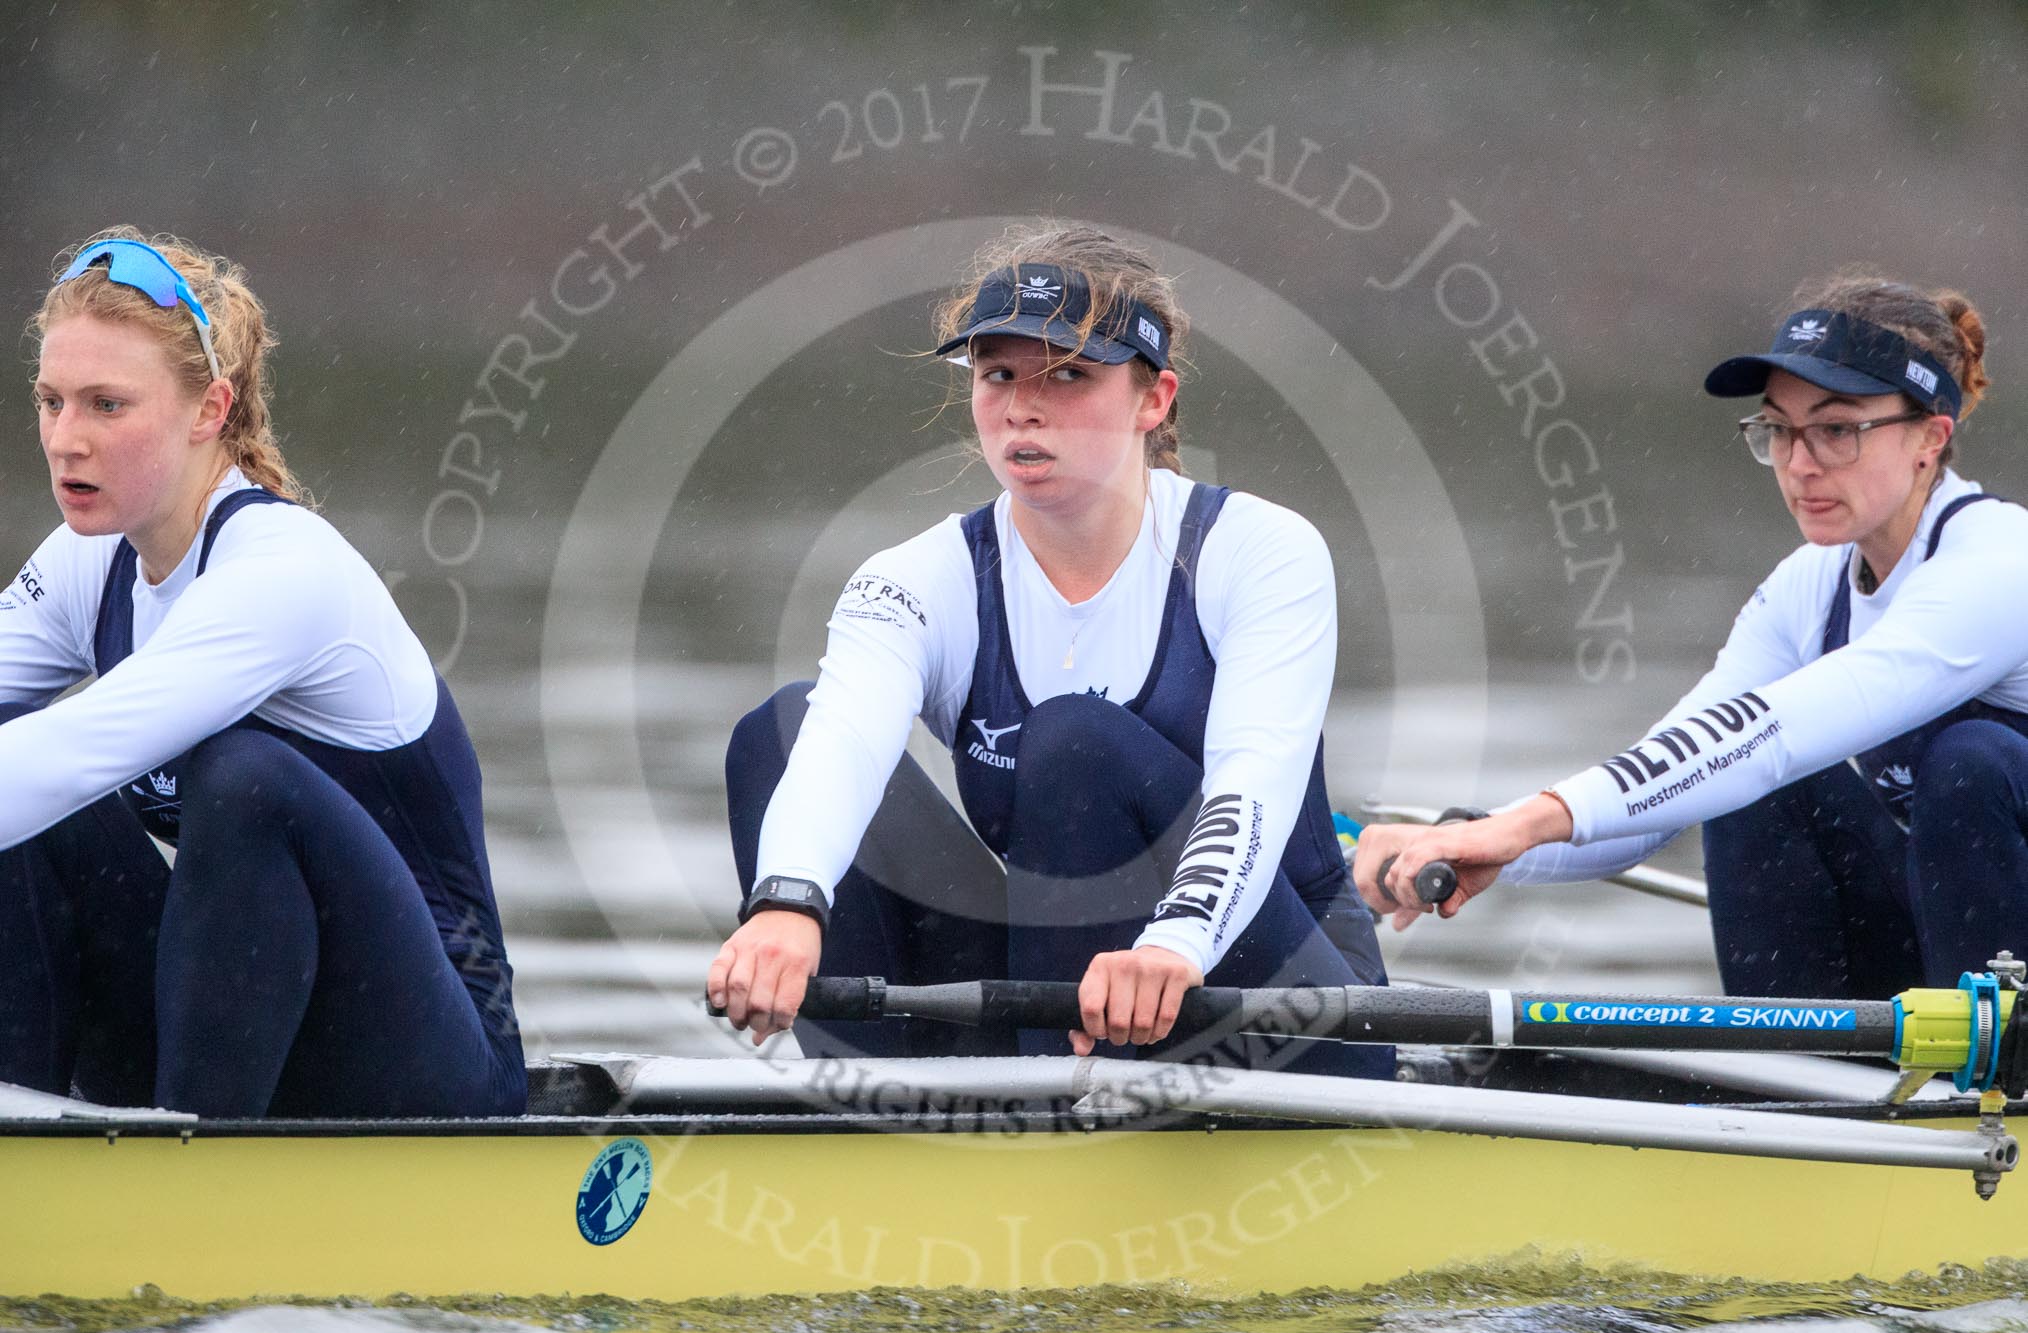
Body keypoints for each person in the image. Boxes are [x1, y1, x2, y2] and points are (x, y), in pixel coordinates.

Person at [708, 223, 1390, 1077]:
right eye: (997, 374)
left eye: (1069, 374)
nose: (1023, 406)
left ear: (1154, 400)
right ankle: (888, 1114)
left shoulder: (1259, 551)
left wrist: (1176, 943)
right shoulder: (918, 580)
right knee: (780, 730)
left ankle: (1047, 1127)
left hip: (1283, 1011)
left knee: (1078, 740)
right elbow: (842, 740)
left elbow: (1253, 780)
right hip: (1063, 1007)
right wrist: (788, 901)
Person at [1354, 274, 2022, 999]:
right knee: (1735, 786)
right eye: (1779, 429)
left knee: (1971, 761)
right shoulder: (1809, 587)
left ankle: (1993, 1078)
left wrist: (1522, 825)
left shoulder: (2001, 564)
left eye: (1837, 430)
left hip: (2000, 975)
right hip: (1967, 950)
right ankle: (1792, 1082)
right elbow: (1670, 777)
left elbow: (1777, 732)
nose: (1800, 464)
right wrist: (1471, 840)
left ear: (1931, 437)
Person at [0, 229, 525, 1117]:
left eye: (106, 405)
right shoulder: (90, 560)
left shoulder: (286, 572)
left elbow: (75, 751)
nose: (65, 439)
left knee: (243, 782)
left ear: (209, 410)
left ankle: (193, 1190)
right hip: (235, 1026)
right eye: (52, 401)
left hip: (428, 1063)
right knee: (32, 804)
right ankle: (26, 1127)